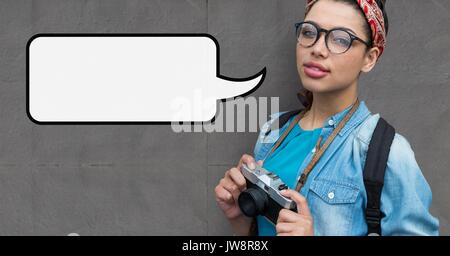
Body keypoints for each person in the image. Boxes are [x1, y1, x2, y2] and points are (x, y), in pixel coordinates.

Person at [214, 0, 439, 236]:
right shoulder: (273, 131)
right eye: (309, 32)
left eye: (341, 39)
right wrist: (239, 221)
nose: (318, 49)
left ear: (370, 58)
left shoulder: (386, 151)